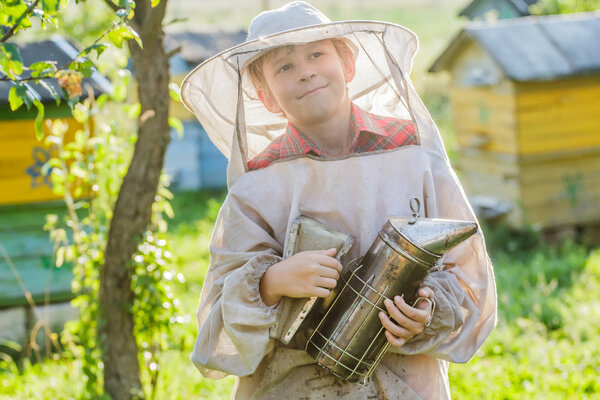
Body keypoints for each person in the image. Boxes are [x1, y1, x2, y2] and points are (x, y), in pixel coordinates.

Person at [180, 2, 497, 399]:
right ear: (265, 96)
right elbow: (218, 321)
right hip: (292, 386)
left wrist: (426, 312)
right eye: (284, 67)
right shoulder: (258, 185)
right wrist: (271, 282)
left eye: (316, 54)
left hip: (403, 383)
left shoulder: (411, 156)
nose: (306, 70)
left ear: (348, 63)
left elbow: (466, 268)